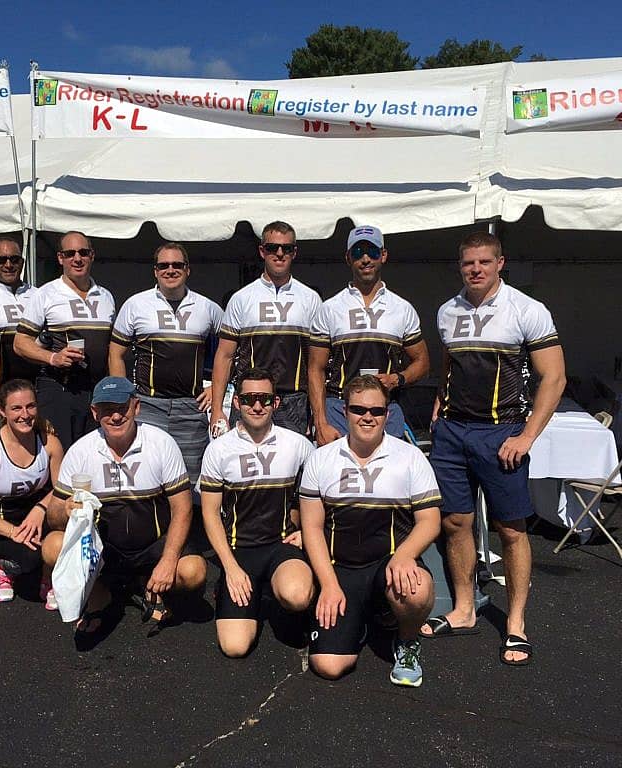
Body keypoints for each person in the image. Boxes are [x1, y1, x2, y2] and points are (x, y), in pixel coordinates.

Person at [420, 232, 565, 666]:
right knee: (455, 522)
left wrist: (526, 437)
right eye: (468, 263)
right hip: (452, 432)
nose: (476, 270)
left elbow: (554, 378)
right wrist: (439, 405)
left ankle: (516, 624)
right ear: (460, 266)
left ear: (500, 263)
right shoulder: (448, 310)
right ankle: (465, 609)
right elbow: (451, 362)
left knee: (512, 529)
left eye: (485, 262)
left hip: (502, 433)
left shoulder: (526, 310)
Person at [300, 375, 441, 686]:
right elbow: (311, 527)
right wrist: (328, 584)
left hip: (389, 565)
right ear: (346, 411)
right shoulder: (321, 459)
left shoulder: (410, 457)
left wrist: (404, 556)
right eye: (359, 409)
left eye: (376, 411)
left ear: (387, 414)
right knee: (329, 666)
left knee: (417, 591)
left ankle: (406, 640)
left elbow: (430, 520)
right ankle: (364, 618)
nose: (368, 417)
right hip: (341, 570)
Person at [41, 376, 207, 636]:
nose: (116, 416)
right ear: (95, 412)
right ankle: (100, 594)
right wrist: (66, 510)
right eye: (107, 409)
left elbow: (183, 508)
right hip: (104, 549)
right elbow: (53, 515)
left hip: (153, 544)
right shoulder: (80, 451)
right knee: (52, 545)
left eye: (122, 408)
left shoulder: (162, 443)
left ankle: (149, 582)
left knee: (194, 571)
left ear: (136, 407)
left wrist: (168, 561)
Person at [200, 367, 314, 657]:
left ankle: (276, 593)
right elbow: (211, 514)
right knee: (235, 647)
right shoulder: (218, 450)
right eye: (249, 399)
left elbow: (322, 496)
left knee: (298, 596)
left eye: (264, 398)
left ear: (276, 403)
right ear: (236, 403)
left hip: (280, 546)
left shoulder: (298, 444)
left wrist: (307, 532)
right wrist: (230, 568)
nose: (257, 406)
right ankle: (238, 590)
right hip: (239, 550)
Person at [108, 243, 222, 490]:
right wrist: (123, 398)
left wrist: (216, 388)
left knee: (190, 483)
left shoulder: (208, 307)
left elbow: (231, 352)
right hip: (148, 406)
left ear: (188, 270)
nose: (170, 270)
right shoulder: (136, 304)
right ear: (155, 271)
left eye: (177, 265)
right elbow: (116, 354)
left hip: (191, 409)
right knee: (148, 477)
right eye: (164, 265)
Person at [308, 224, 430, 444]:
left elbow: (422, 362)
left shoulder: (402, 308)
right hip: (339, 408)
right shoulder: (330, 308)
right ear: (348, 258)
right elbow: (315, 368)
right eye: (357, 253)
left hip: (385, 408)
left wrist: (397, 378)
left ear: (383, 255)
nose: (365, 259)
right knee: (339, 477)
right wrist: (320, 423)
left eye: (372, 252)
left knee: (386, 476)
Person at [209, 221, 321, 436]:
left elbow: (317, 363)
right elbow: (224, 356)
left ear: (294, 252)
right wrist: (216, 410)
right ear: (262, 251)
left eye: (286, 248)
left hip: (294, 401)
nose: (279, 253)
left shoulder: (310, 299)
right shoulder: (241, 298)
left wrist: (318, 413)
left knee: (293, 467)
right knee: (242, 465)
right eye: (272, 248)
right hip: (250, 399)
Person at [0, 379, 64, 604]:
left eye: (30, 406)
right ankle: (2, 567)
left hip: (37, 517)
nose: (25, 414)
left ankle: (49, 578)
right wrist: (12, 532)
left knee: (67, 521)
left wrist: (40, 509)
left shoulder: (49, 442)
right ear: (2, 410)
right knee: (29, 559)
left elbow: (62, 489)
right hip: (1, 523)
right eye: (16, 408)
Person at [13, 231, 115, 449]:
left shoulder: (106, 296)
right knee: (58, 454)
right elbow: (20, 343)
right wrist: (53, 357)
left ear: (92, 255)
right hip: (59, 389)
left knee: (92, 454)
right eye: (70, 254)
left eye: (83, 252)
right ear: (60, 258)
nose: (77, 259)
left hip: (95, 390)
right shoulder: (46, 293)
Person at [0, 237, 39, 383]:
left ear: (22, 263)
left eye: (14, 259)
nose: (8, 265)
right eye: (1, 260)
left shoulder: (40, 295)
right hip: (1, 380)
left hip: (38, 379)